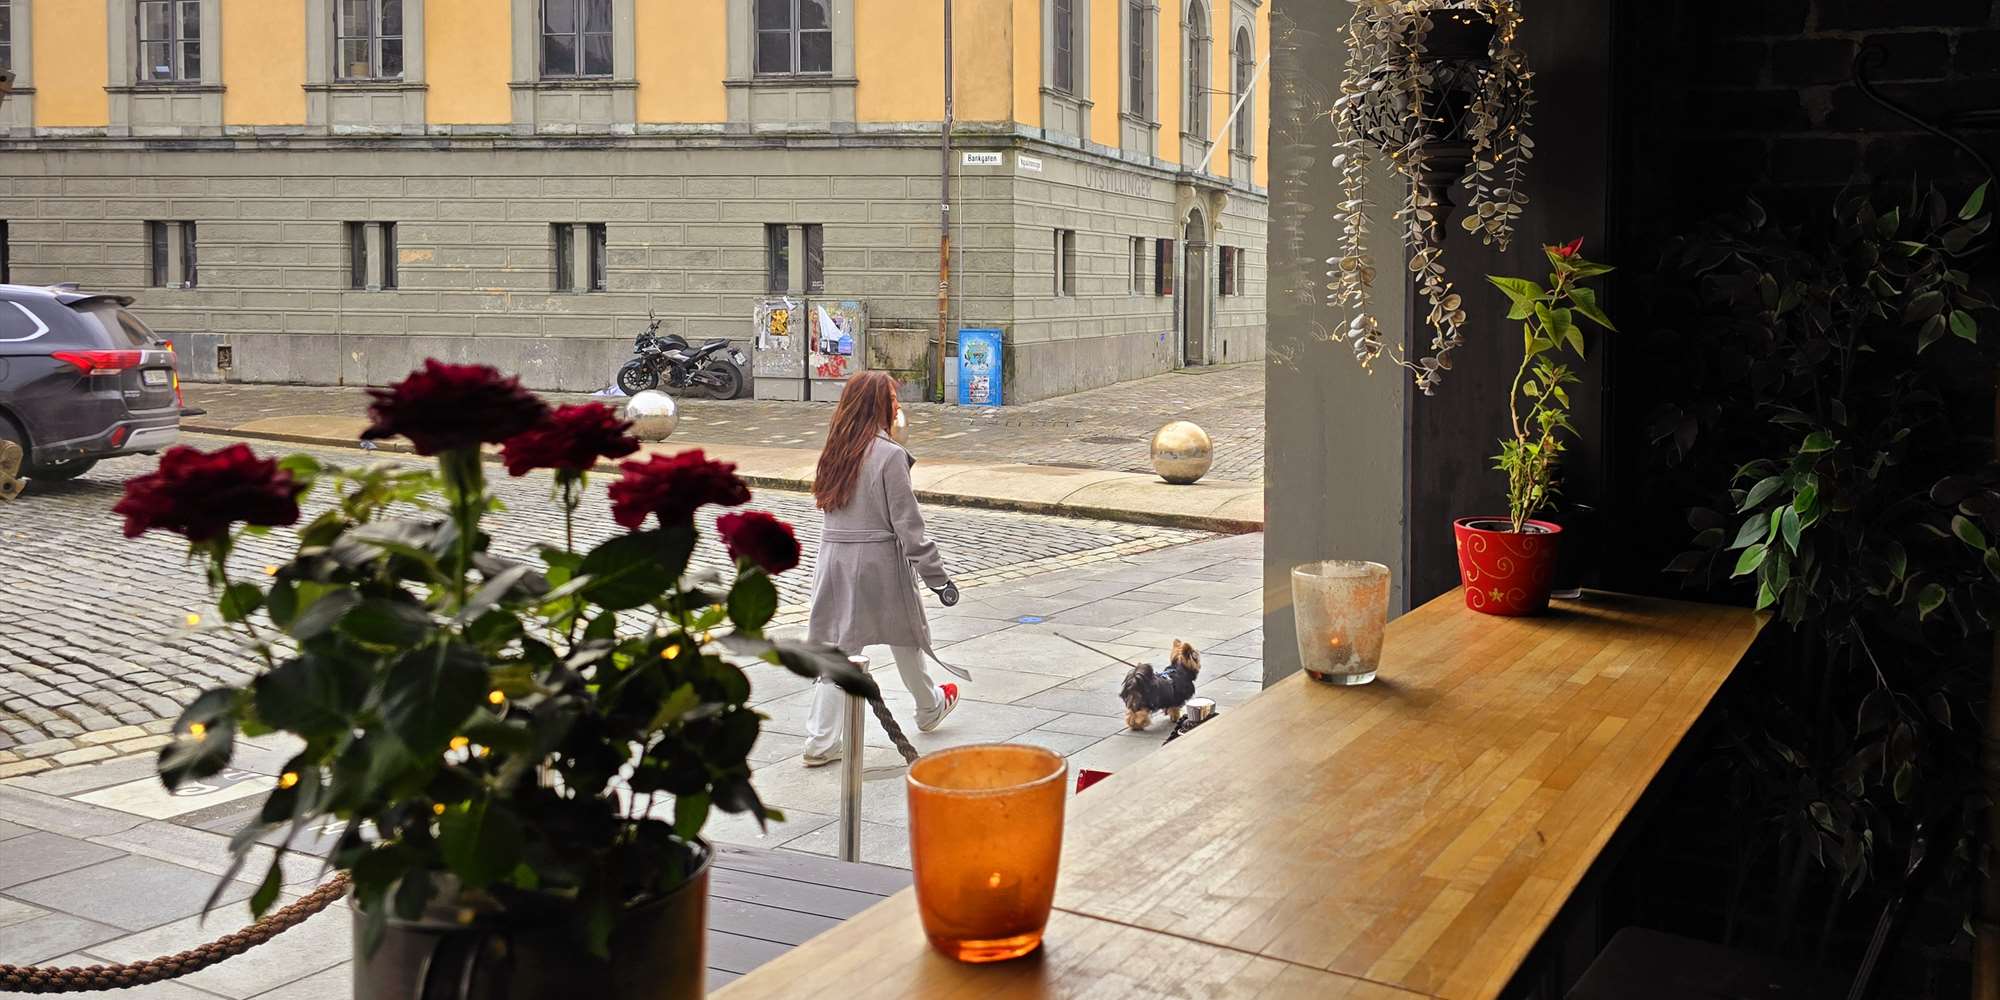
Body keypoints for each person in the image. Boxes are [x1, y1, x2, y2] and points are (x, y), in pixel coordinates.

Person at [801, 371, 964, 766]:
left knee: (839, 648)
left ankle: (821, 740)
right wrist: (938, 578)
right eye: (892, 399)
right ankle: (929, 706)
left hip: (834, 562)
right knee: (905, 635)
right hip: (878, 563)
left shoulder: (835, 449)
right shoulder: (889, 455)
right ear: (877, 406)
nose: (897, 405)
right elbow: (909, 526)